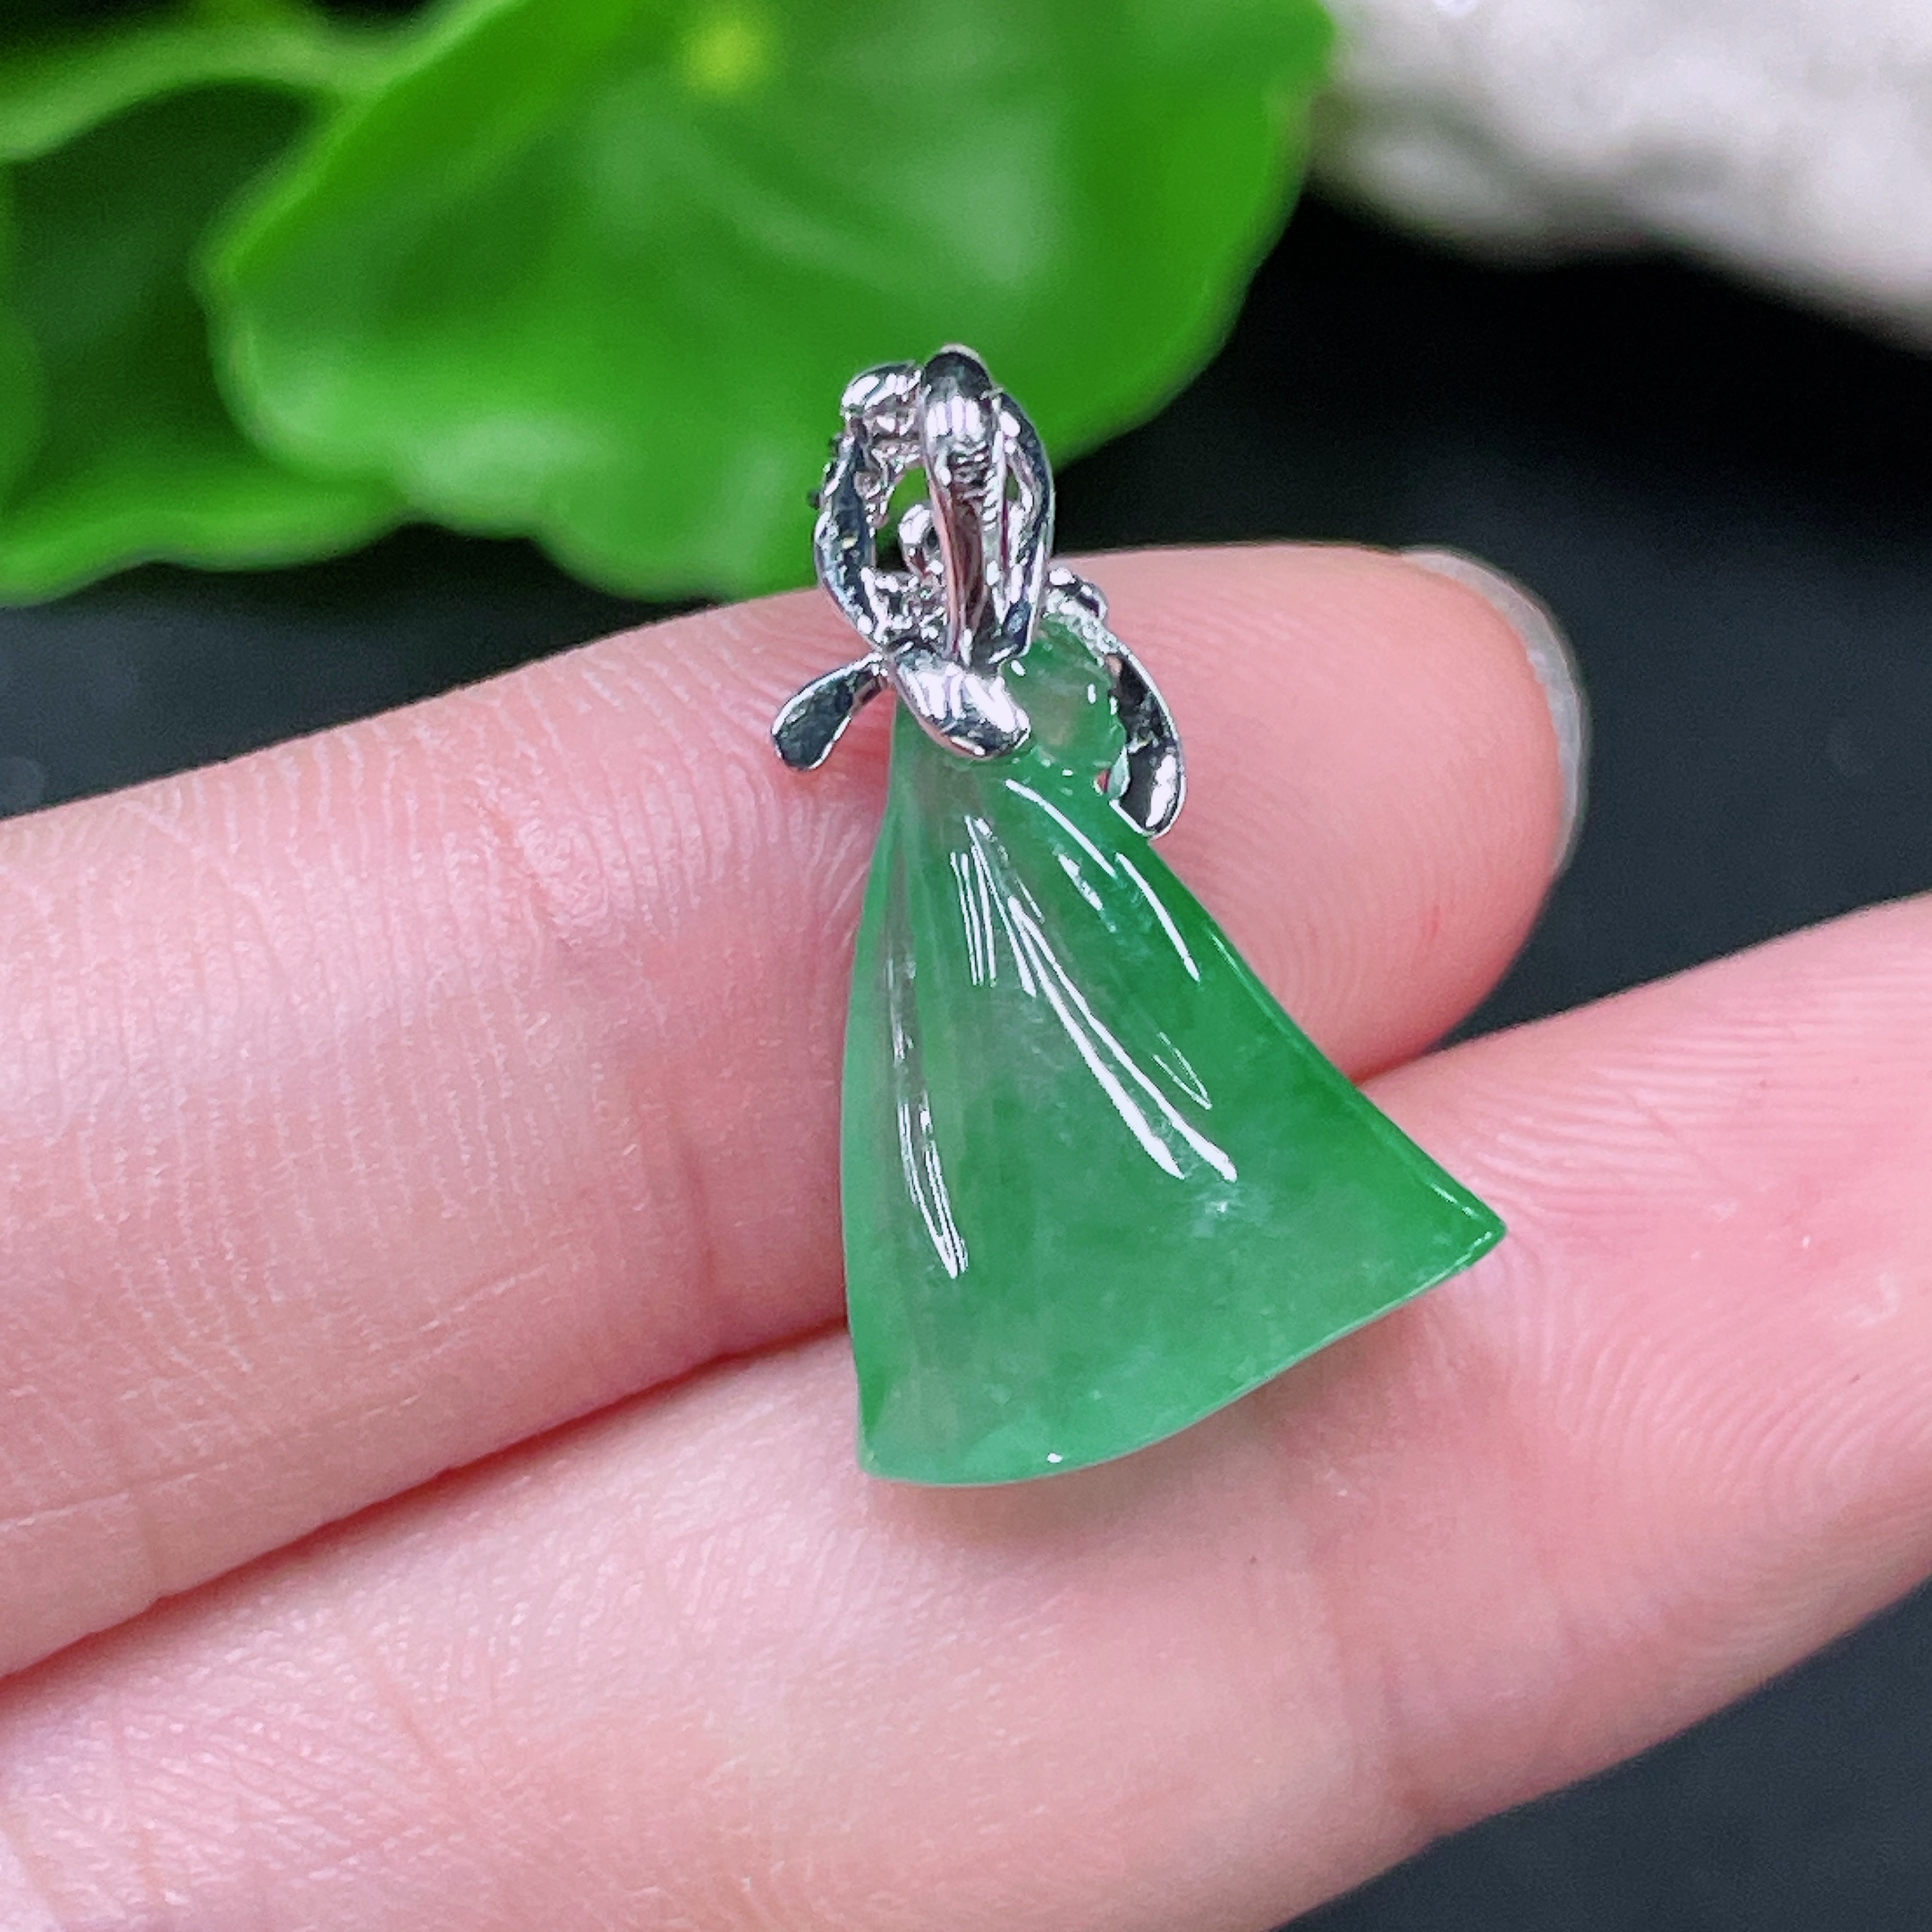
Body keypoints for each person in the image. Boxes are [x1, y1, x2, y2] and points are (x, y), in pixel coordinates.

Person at [0, 545, 1924, 1930]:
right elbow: (890, 728)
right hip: (979, 903)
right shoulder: (946, 678)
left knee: (1154, 1082)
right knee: (1018, 1118)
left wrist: (993, 703)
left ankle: (1204, 1274)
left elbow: (1119, 746)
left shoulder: (1027, 649)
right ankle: (1082, 1321)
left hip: (1053, 890)